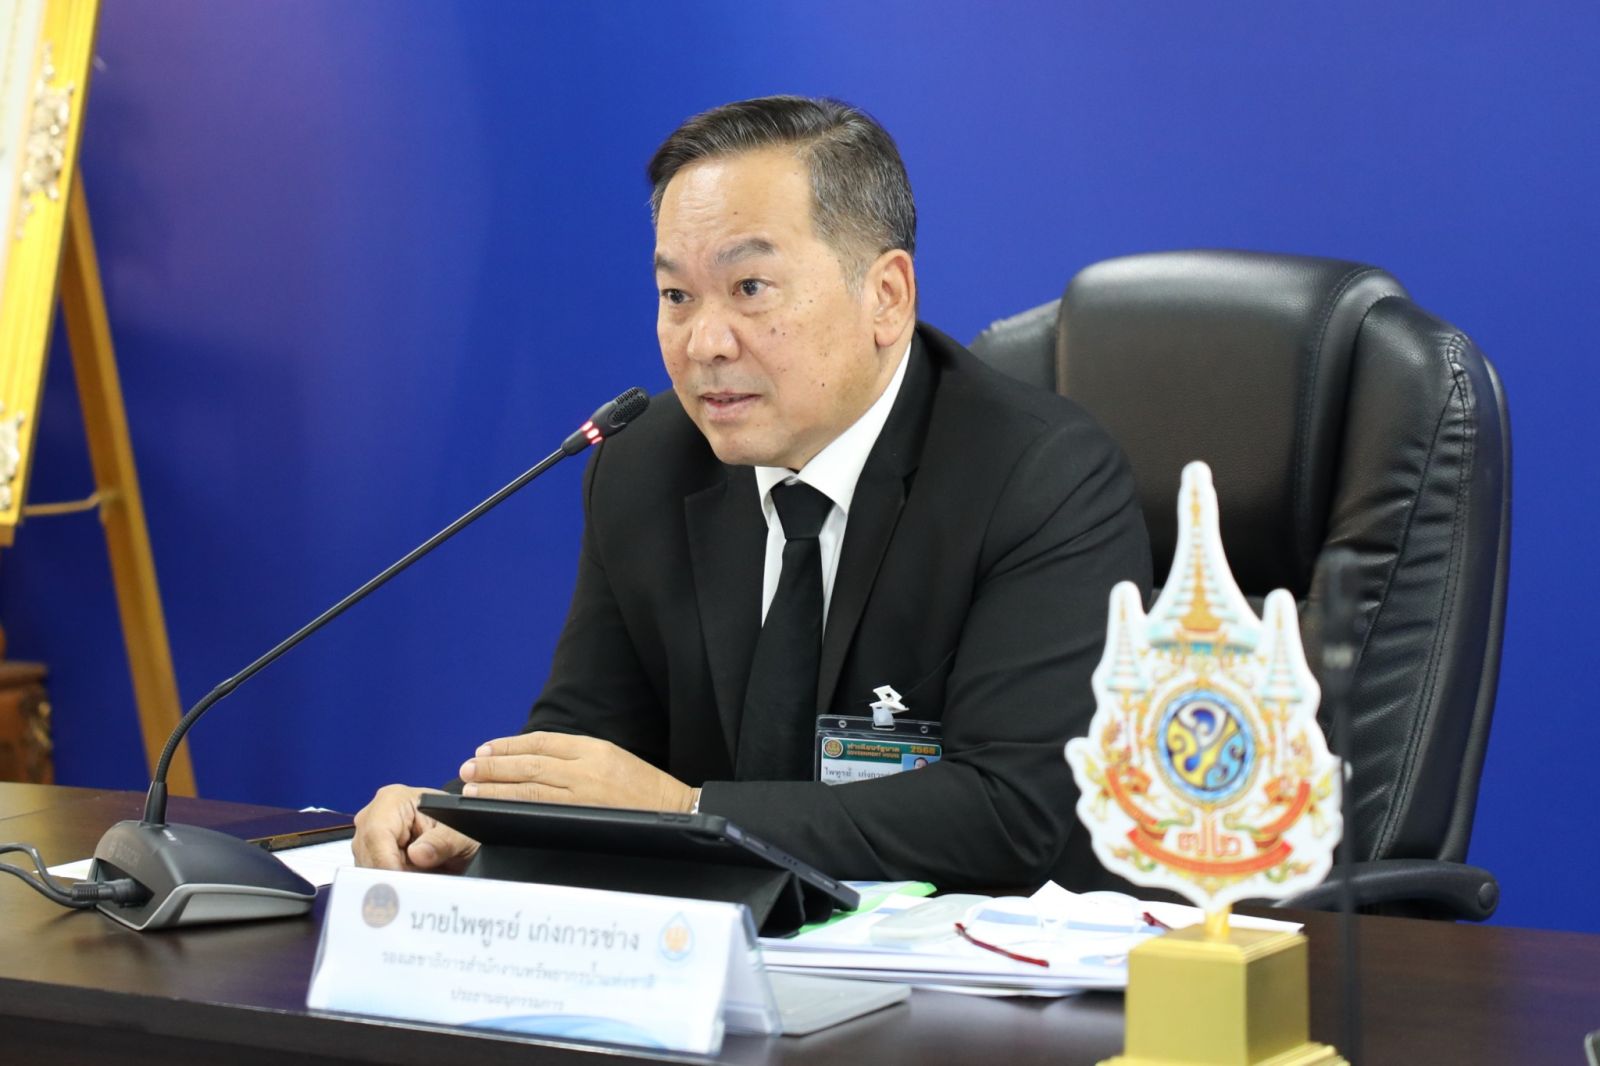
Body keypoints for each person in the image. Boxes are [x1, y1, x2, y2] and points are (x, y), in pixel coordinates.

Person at [354, 96, 1151, 890]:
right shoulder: (645, 464)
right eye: (677, 296)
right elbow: (591, 738)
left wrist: (689, 811)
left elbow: (1010, 811)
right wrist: (466, 813)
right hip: (717, 953)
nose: (704, 343)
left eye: (750, 287)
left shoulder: (1040, 475)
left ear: (886, 296)